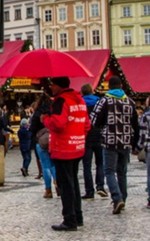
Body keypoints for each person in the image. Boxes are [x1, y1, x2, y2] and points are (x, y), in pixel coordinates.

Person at [42, 77, 90, 231]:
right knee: (73, 182)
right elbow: (87, 125)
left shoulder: (61, 101)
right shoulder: (79, 100)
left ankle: (69, 220)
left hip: (63, 148)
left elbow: (57, 123)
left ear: (59, 86)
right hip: (77, 147)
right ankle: (78, 216)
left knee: (65, 185)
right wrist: (77, 137)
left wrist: (45, 119)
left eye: (53, 84)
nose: (51, 87)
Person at [90, 76, 139, 215]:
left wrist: (103, 126)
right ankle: (123, 198)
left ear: (109, 86)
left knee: (109, 171)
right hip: (126, 141)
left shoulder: (104, 101)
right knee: (122, 172)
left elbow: (94, 120)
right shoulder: (130, 102)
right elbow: (136, 124)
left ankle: (117, 198)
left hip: (110, 141)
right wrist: (135, 143)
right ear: (121, 85)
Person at [80, 83, 107, 199]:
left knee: (86, 165)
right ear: (92, 91)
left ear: (82, 92)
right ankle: (100, 186)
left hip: (86, 136)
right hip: (99, 135)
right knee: (100, 163)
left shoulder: (80, 103)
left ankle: (89, 191)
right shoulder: (100, 102)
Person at [30, 90, 57, 198]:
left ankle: (48, 190)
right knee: (54, 164)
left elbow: (32, 129)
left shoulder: (37, 114)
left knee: (45, 166)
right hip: (53, 140)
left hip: (41, 142)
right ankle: (58, 184)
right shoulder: (53, 111)